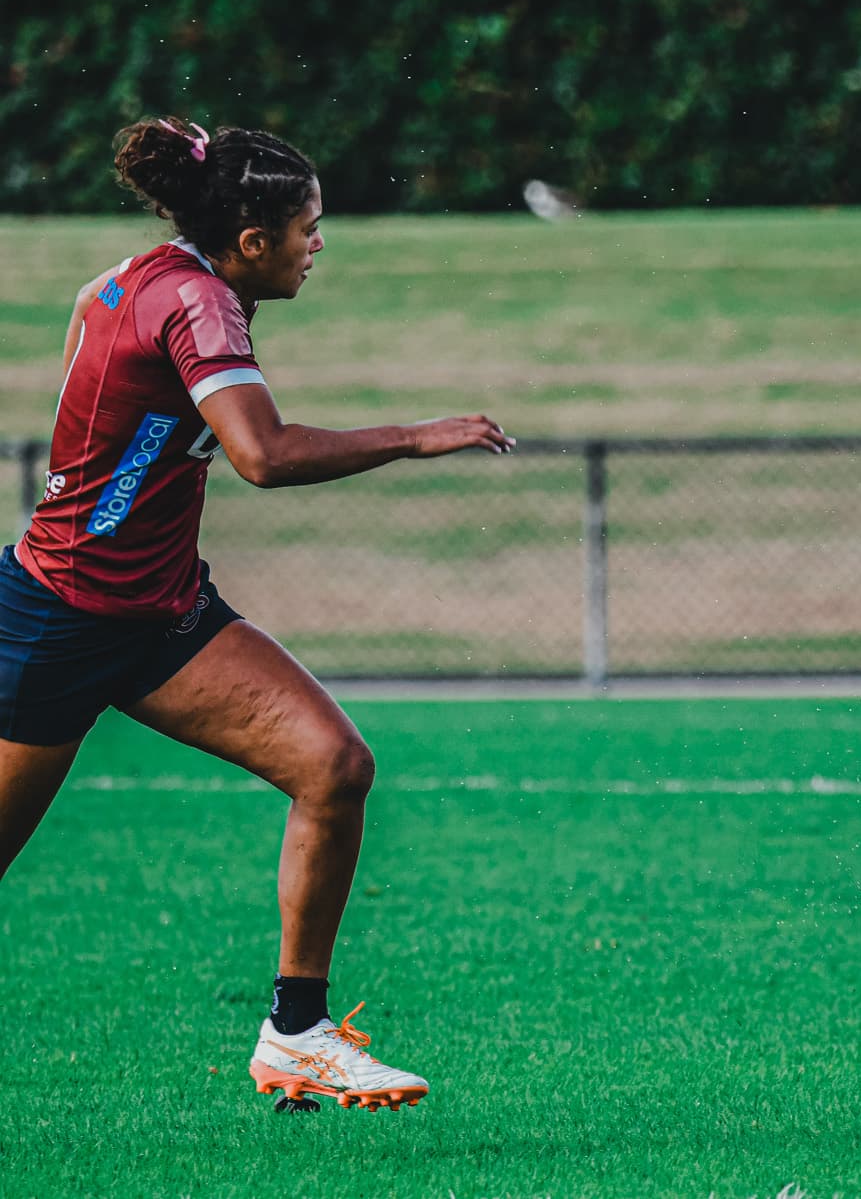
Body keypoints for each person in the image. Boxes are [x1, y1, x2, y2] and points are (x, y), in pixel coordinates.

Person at [0, 118, 512, 1113]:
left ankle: (297, 1034)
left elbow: (87, 312)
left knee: (334, 765)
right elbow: (263, 455)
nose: (317, 244)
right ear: (250, 241)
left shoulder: (147, 277)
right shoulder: (200, 301)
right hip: (60, 618)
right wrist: (415, 436)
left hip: (161, 614)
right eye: (307, 228)